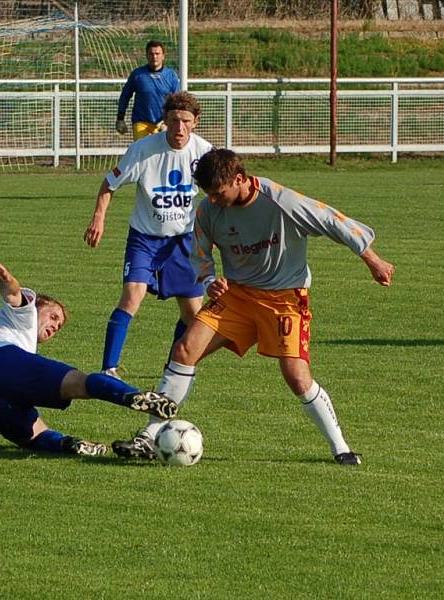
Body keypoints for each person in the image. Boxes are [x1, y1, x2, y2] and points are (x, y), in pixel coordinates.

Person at [112, 149, 396, 465]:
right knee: (184, 350)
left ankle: (341, 448)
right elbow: (199, 254)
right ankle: (149, 437)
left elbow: (333, 220)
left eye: (219, 193)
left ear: (239, 179)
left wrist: (373, 260)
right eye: (209, 194)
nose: (214, 200)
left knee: (296, 377)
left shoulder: (280, 202)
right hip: (237, 297)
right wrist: (209, 282)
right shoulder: (208, 210)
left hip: (285, 299)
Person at [0, 258, 177, 456]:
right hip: (4, 363)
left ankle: (70, 445)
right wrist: (7, 278)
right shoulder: (23, 316)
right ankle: (132, 395)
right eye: (53, 316)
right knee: (79, 384)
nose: (55, 326)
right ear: (36, 307)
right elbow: (13, 294)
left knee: (35, 436)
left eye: (59, 326)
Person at [84, 92, 213, 378]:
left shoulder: (204, 153)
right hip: (145, 238)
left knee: (193, 313)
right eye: (174, 120)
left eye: (186, 121)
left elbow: (217, 195)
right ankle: (109, 369)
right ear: (165, 121)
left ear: (196, 123)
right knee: (132, 296)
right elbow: (109, 184)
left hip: (184, 241)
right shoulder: (143, 149)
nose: (179, 128)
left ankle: (173, 368)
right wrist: (99, 218)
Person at [116, 40, 181, 141]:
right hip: (141, 123)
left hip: (163, 124)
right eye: (151, 54)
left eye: (157, 54)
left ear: (163, 56)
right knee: (143, 153)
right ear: (146, 55)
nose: (154, 57)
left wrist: (169, 121)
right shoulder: (137, 75)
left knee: (162, 154)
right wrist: (120, 118)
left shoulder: (171, 76)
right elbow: (125, 96)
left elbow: (177, 102)